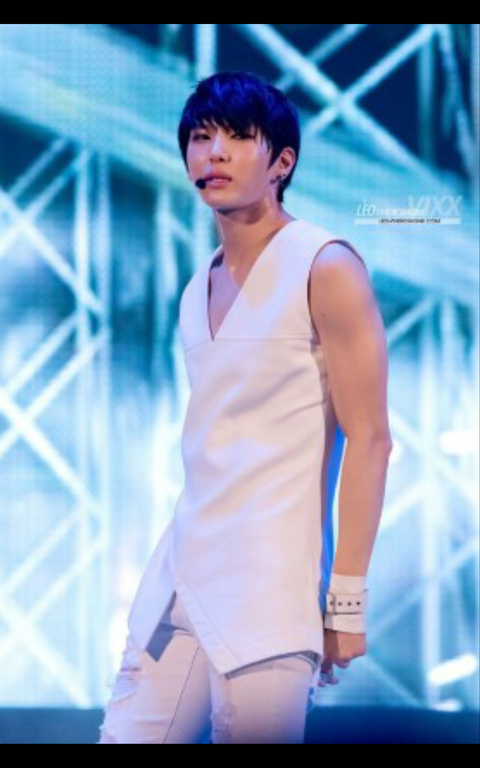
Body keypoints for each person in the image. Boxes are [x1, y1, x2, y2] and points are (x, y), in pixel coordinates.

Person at [97, 70, 392, 744]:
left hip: (268, 588)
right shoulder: (194, 289)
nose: (214, 153)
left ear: (281, 162)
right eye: (200, 138)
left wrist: (346, 601)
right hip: (180, 580)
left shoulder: (325, 264)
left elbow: (371, 437)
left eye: (236, 136)